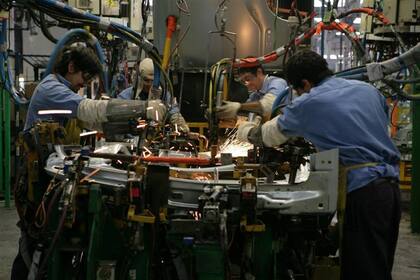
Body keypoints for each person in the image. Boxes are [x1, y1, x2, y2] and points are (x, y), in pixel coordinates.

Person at [238, 50, 401, 280]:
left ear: (304, 83)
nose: (298, 94)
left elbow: (270, 135)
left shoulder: (309, 102)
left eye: (297, 90)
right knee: (379, 266)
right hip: (390, 190)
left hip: (363, 192)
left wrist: (245, 131)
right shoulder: (367, 90)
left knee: (363, 271)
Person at [12, 45, 166, 280]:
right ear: (71, 67)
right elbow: (90, 110)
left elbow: (95, 124)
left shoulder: (64, 91)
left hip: (51, 176)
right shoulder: (51, 89)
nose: (83, 85)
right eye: (84, 77)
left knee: (45, 246)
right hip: (39, 184)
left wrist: (130, 124)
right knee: (35, 246)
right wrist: (144, 108)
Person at [118, 57, 190, 133]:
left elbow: (174, 114)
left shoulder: (164, 95)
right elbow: (117, 116)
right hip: (133, 139)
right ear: (139, 77)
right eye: (146, 80)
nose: (149, 84)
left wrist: (182, 127)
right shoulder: (126, 96)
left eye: (152, 81)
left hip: (155, 138)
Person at [216, 62, 289, 119]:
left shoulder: (277, 83)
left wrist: (239, 106)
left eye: (248, 79)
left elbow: (268, 105)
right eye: (243, 81)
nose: (246, 84)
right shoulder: (255, 95)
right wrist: (225, 111)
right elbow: (247, 111)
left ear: (259, 72)